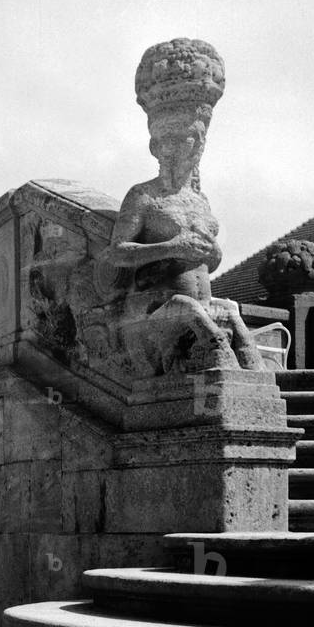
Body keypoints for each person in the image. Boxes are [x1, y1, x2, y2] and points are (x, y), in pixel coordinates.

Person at [102, 38, 263, 376]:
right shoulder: (143, 196)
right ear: (155, 145)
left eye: (189, 137)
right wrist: (171, 247)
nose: (179, 146)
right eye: (169, 139)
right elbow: (117, 253)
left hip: (200, 305)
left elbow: (211, 261)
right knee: (189, 312)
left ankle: (256, 375)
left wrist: (212, 251)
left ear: (200, 142)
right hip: (154, 310)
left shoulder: (200, 202)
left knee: (233, 313)